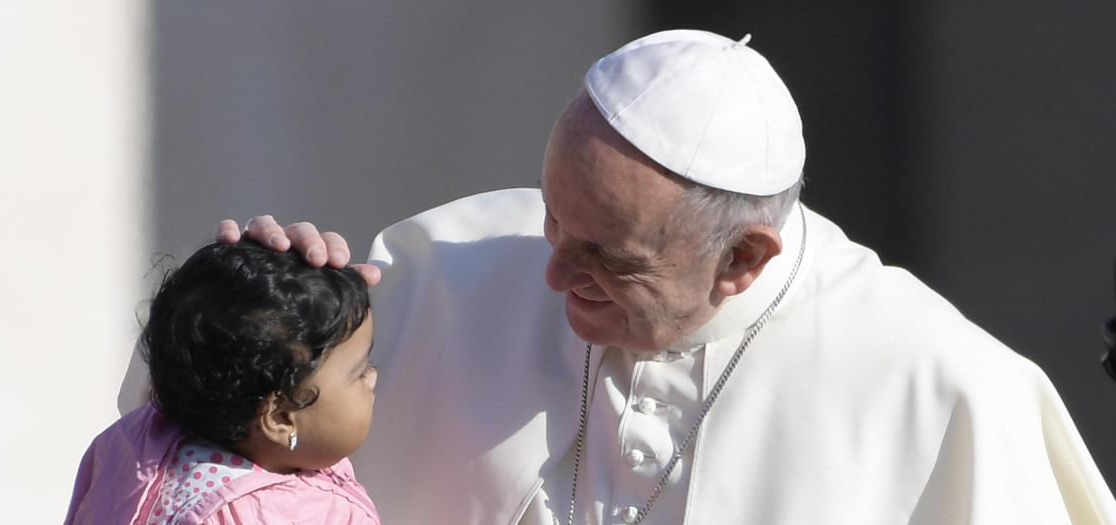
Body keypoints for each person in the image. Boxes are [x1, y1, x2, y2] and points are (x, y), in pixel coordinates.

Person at [133, 30, 1116, 523]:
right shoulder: (444, 273)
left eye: (606, 257)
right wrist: (235, 319)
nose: (550, 271)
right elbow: (173, 479)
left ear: (744, 259)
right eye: (554, 216)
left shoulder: (941, 389)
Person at [74, 241, 380, 524]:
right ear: (280, 418)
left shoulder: (135, 447)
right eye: (360, 370)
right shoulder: (298, 515)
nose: (373, 377)